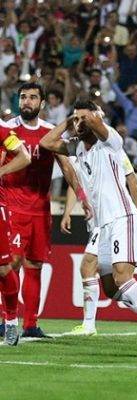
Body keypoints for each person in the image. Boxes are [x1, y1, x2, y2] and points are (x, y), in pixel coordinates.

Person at [39, 100, 137, 344]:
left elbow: (131, 179)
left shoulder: (110, 141)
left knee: (123, 277)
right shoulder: (78, 148)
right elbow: (46, 143)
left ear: (95, 117)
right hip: (103, 226)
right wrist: (69, 122)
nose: (80, 123)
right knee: (111, 288)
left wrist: (92, 115)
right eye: (76, 119)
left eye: (83, 118)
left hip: (122, 217)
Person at [0, 83, 84, 339]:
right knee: (10, 264)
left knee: (34, 265)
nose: (27, 101)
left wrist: (81, 198)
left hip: (40, 209)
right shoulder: (7, 129)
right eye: (23, 97)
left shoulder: (50, 133)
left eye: (33, 98)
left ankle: (30, 325)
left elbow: (68, 167)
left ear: (42, 103)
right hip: (12, 206)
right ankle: (7, 320)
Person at [0, 121, 31, 345]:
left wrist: (1, 171)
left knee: (3, 268)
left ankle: (10, 323)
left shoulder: (1, 131)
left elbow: (25, 157)